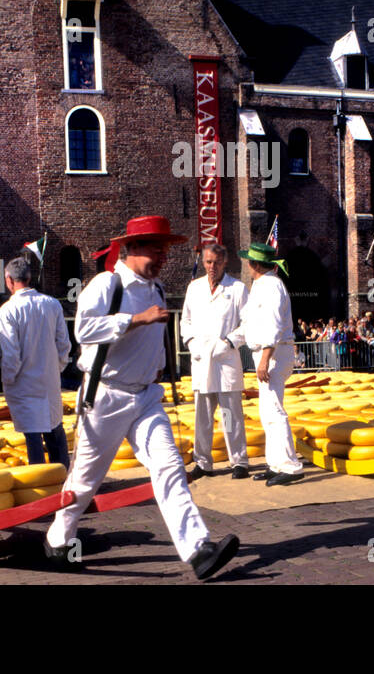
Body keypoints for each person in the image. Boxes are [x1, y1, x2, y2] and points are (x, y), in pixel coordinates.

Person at [44, 216, 238, 580]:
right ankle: (58, 538)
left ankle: (199, 549)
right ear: (130, 249)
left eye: (165, 249)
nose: (164, 256)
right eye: (156, 248)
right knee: (86, 480)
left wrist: (160, 366)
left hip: (147, 397)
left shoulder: (157, 288)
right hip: (106, 396)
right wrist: (135, 319)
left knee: (169, 467)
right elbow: (84, 330)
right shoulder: (107, 285)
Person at [236, 242, 304, 486]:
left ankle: (290, 466)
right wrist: (229, 341)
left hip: (274, 353)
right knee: (267, 411)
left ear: (254, 264)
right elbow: (250, 324)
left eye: (248, 261)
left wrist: (265, 357)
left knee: (274, 409)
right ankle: (275, 463)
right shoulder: (261, 285)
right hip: (267, 352)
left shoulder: (271, 285)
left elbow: (274, 325)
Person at [181, 243, 249, 480]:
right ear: (203, 261)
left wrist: (230, 342)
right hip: (201, 361)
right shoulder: (194, 288)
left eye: (216, 262)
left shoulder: (238, 288)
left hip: (225, 361)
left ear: (225, 262)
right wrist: (190, 343)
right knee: (202, 417)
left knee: (230, 416)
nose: (212, 267)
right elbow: (185, 321)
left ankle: (238, 461)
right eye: (208, 262)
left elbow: (247, 322)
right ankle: (202, 462)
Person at [0, 256, 72, 466]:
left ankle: (40, 484)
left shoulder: (7, 311)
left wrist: (8, 381)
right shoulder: (52, 304)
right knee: (55, 430)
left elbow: (11, 354)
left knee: (33, 437)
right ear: (29, 278)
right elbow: (64, 344)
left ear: (9, 279)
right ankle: (63, 478)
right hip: (49, 381)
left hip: (24, 382)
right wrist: (55, 368)